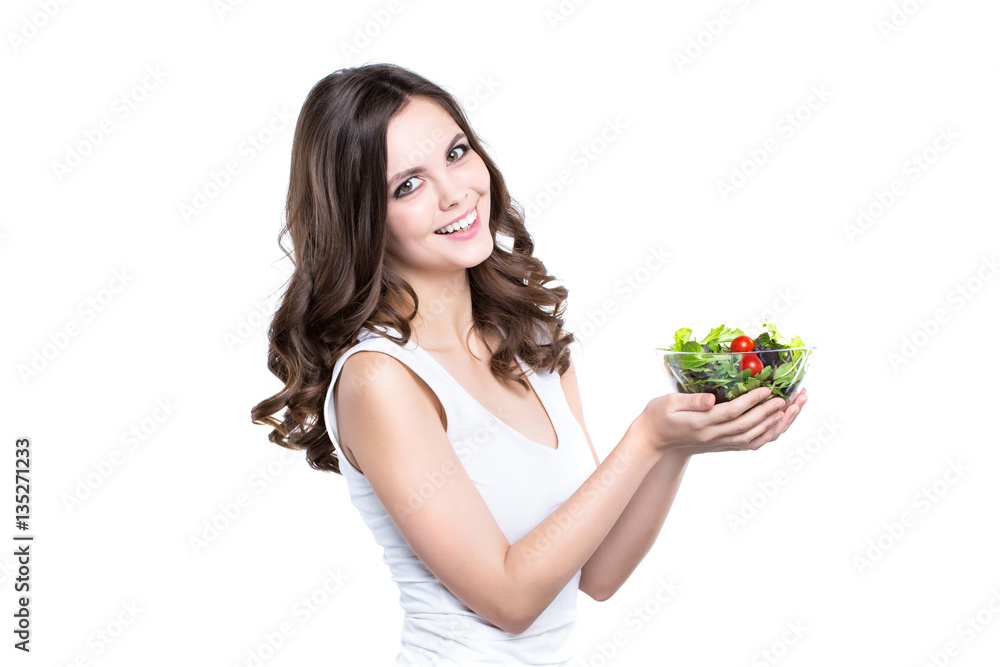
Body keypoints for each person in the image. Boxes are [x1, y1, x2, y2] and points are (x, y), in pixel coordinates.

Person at [251, 63, 808, 666]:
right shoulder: (380, 378)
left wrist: (677, 446)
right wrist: (645, 438)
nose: (455, 192)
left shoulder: (530, 340)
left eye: (456, 153)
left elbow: (597, 573)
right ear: (361, 218)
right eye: (407, 185)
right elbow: (510, 601)